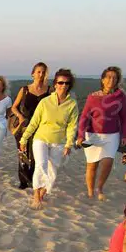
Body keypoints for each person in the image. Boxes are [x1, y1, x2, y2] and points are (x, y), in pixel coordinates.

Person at [19, 69, 79, 210]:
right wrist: (23, 139)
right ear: (55, 84)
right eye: (60, 82)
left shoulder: (72, 104)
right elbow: (34, 122)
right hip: (41, 138)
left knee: (53, 170)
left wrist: (69, 144)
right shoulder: (45, 102)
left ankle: (43, 192)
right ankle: (36, 196)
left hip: (59, 141)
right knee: (41, 165)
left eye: (67, 83)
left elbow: (72, 126)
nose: (63, 85)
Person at [78, 66, 126, 200]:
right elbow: (84, 117)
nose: (111, 80)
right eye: (108, 77)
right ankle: (90, 191)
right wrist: (81, 135)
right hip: (93, 134)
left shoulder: (120, 96)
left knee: (107, 162)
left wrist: (124, 134)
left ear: (117, 80)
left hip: (112, 135)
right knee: (92, 165)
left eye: (114, 77)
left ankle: (99, 188)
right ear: (102, 79)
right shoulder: (92, 97)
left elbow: (124, 117)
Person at [10, 62, 50, 190]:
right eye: (38, 72)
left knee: (36, 155)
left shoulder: (50, 91)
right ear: (33, 74)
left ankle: (34, 180)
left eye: (43, 72)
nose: (41, 74)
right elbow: (14, 107)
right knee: (23, 153)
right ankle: (23, 181)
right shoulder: (25, 90)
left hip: (41, 127)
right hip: (24, 127)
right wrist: (20, 116)